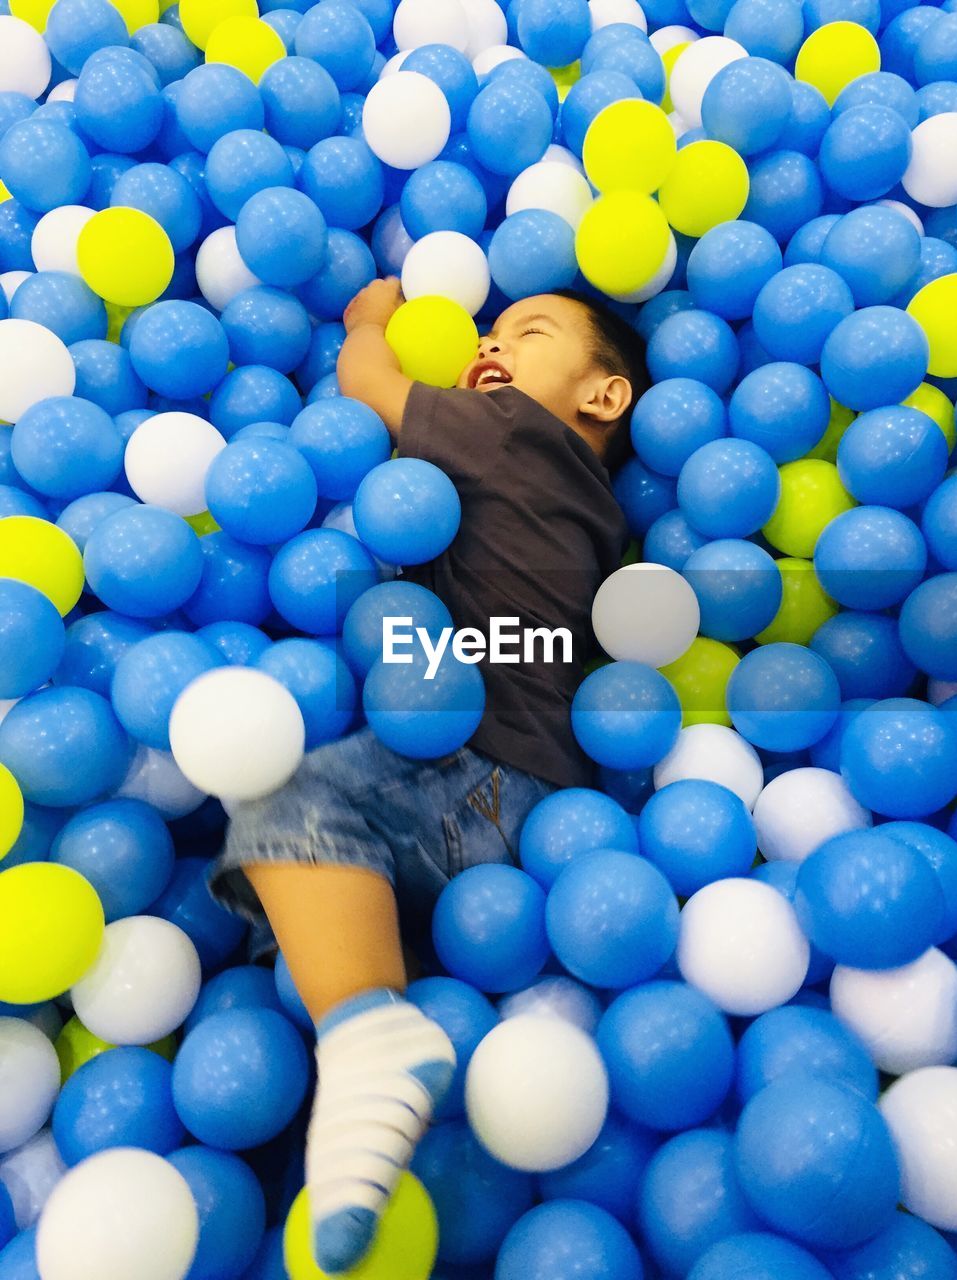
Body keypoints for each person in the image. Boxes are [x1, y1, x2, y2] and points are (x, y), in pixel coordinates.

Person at [208, 279, 644, 1272]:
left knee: (291, 796)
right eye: (488, 333)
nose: (488, 346)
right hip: (525, 808)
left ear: (602, 399)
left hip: (472, 770)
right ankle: (360, 1094)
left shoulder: (511, 434)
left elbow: (368, 380)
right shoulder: (587, 505)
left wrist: (368, 319)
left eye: (526, 334)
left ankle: (368, 1031)